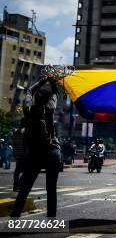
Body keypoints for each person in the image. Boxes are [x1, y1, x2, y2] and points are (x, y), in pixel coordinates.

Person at [11, 77, 62, 218]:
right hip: (52, 151)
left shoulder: (28, 110)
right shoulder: (50, 108)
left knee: (25, 188)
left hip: (35, 154)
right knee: (51, 189)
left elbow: (29, 90)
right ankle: (51, 219)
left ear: (36, 98)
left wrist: (40, 81)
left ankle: (15, 216)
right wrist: (52, 82)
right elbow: (55, 94)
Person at [12, 120, 26, 191]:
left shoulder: (15, 132)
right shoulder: (24, 132)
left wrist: (14, 154)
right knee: (28, 171)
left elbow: (13, 144)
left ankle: (16, 185)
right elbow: (25, 144)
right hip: (23, 154)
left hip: (17, 154)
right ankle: (19, 184)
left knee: (17, 171)